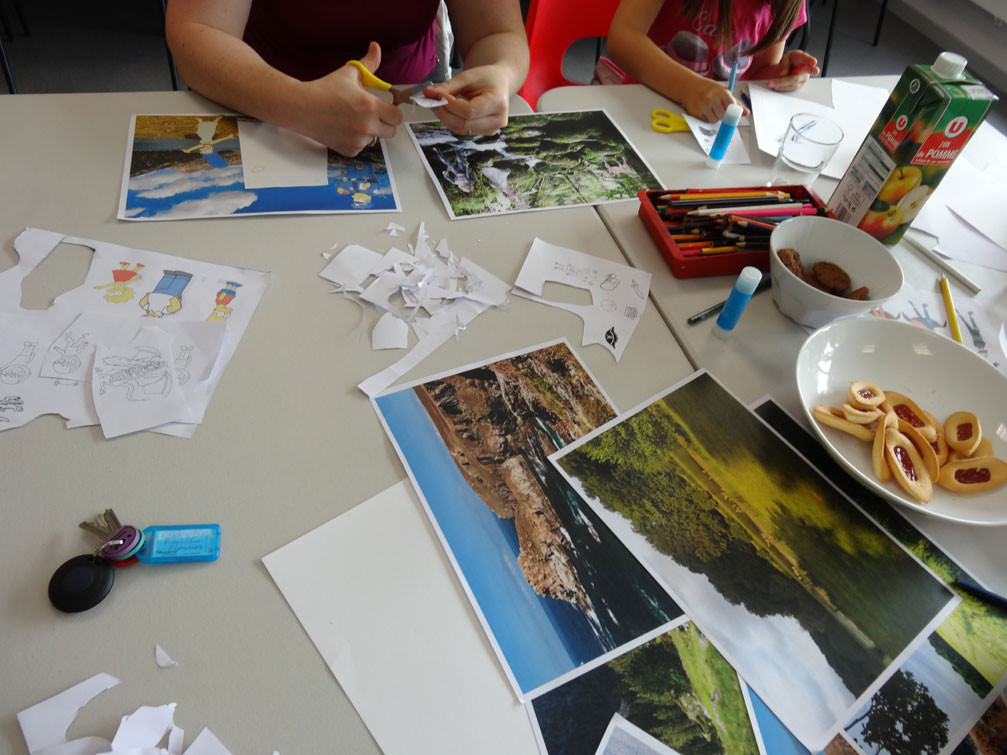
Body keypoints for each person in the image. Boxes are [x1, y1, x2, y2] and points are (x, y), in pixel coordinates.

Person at [165, 0, 529, 157]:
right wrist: (295, 102)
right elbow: (197, 29)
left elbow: (497, 34)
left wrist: (500, 72)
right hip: (259, 104)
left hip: (408, 118)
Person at [603, 0, 818, 122]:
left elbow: (754, 73)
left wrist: (781, 74)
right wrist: (689, 88)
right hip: (642, 108)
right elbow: (622, 39)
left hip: (711, 126)